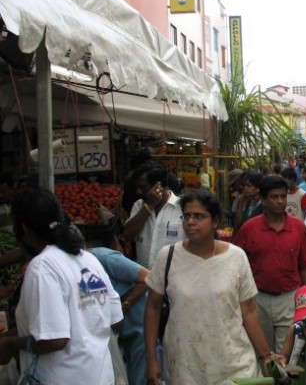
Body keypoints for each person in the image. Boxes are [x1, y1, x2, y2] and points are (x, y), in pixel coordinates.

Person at [144, 188, 275, 384]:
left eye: (198, 216)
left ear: (215, 221)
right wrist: (152, 359)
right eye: (186, 216)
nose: (190, 222)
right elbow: (153, 307)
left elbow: (248, 312)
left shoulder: (236, 257)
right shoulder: (168, 256)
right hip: (185, 364)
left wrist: (266, 355)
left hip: (233, 362)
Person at [0, 188, 123, 384]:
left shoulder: (42, 266)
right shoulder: (88, 259)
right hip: (100, 376)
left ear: (23, 228)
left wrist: (10, 342)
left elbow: (54, 340)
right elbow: (116, 321)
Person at [233, 175, 306, 352]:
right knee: (263, 353)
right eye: (274, 197)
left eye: (283, 197)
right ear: (263, 199)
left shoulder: (299, 228)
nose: (280, 201)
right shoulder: (249, 228)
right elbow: (236, 264)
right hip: (257, 298)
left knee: (287, 354)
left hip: (289, 299)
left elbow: (305, 266)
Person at [91, 244, 149, 385]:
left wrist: (124, 305)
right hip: (116, 334)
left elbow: (148, 277)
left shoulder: (104, 257)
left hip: (137, 328)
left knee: (140, 374)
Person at [123, 161, 186, 268]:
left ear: (159, 186)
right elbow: (127, 235)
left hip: (173, 279)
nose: (138, 191)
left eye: (143, 187)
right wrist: (148, 207)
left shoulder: (182, 208)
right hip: (145, 279)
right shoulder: (139, 206)